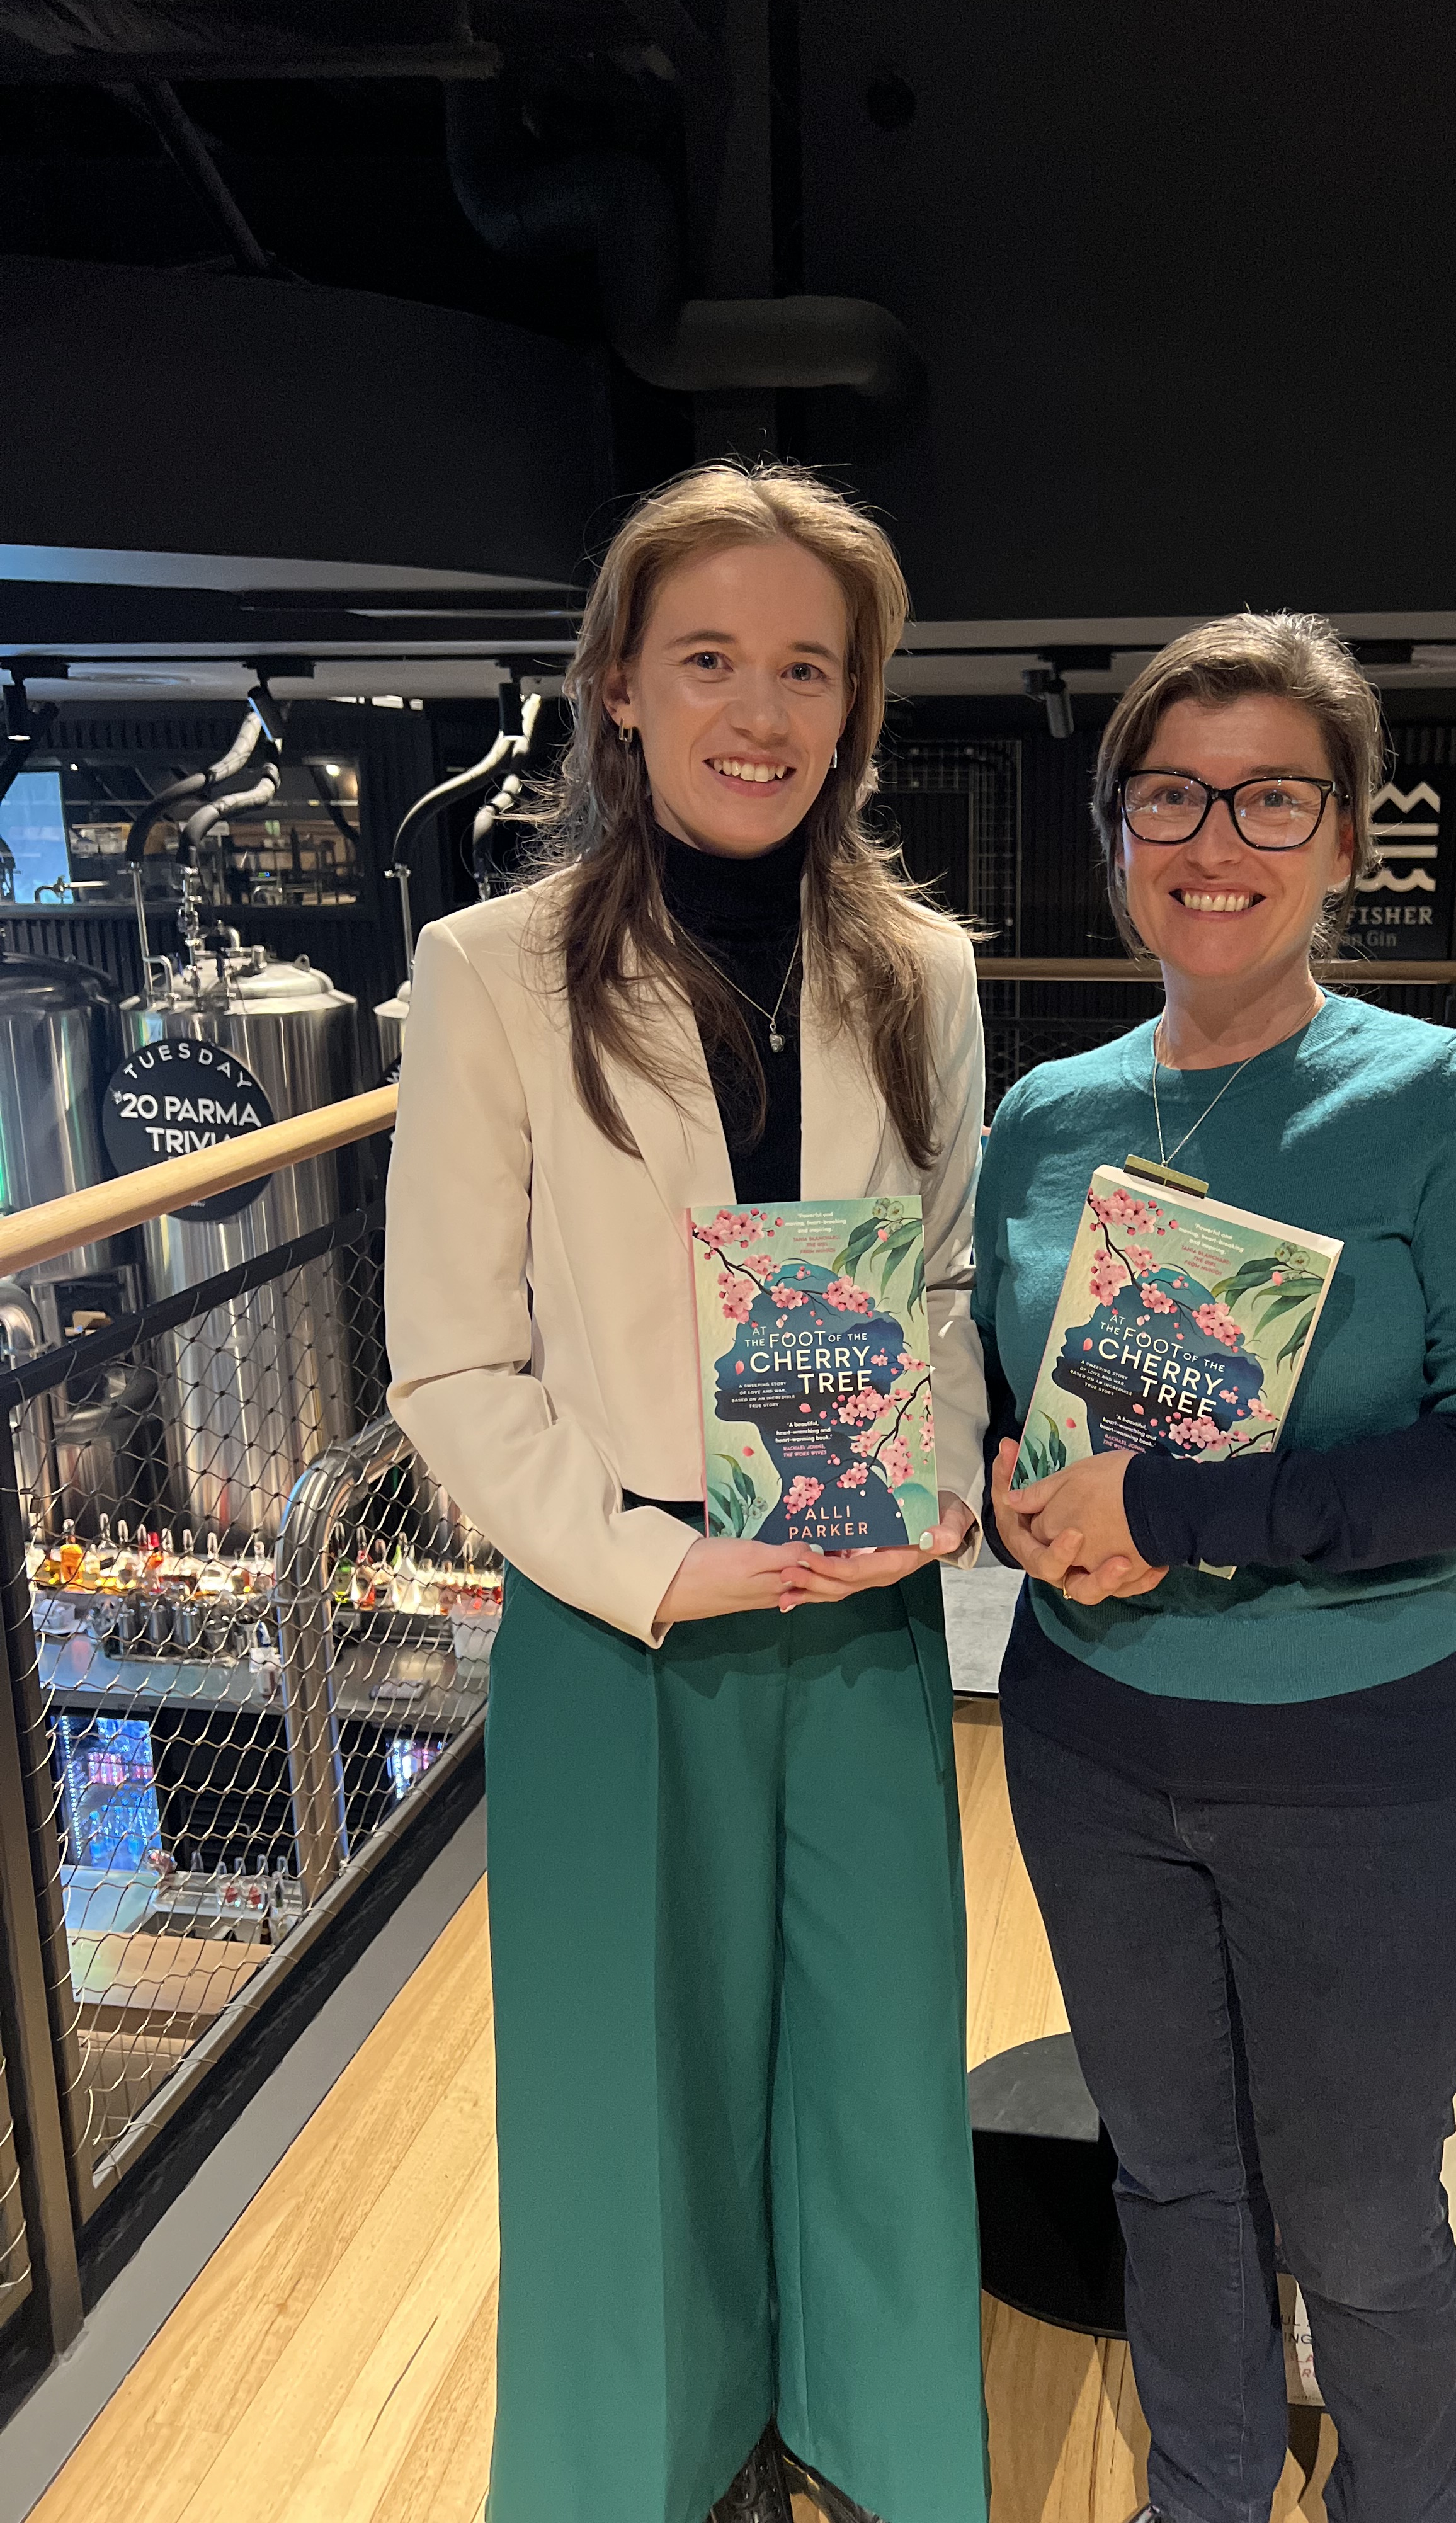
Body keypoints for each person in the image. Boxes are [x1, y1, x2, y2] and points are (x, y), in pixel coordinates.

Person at [385, 464, 989, 2523]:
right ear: (621, 688)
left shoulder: (920, 968)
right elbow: (451, 1364)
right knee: (623, 2087)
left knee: (875, 2058)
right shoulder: (492, 970)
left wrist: (937, 1474)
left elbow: (948, 1280)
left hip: (862, 1607)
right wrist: (650, 1564)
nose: (762, 708)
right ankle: (648, 2465)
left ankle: (870, 2442)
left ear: (858, 706)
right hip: (618, 1613)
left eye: (809, 668)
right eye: (710, 657)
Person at [972, 613, 1456, 2523]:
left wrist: (1173, 1514)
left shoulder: (1446, 1102)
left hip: (1359, 1763)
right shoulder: (1045, 1119)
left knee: (1365, 2218)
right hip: (1088, 1744)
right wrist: (1013, 1490)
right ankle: (1203, 2496)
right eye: (1170, 794)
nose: (1213, 839)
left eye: (1270, 799)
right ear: (1115, 830)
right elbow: (1012, 1401)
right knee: (1171, 2179)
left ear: (1345, 842)